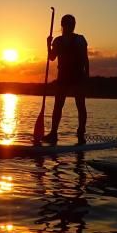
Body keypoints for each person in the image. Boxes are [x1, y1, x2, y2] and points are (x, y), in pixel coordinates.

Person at [44, 14, 89, 145]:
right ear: (63, 25)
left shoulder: (80, 39)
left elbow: (85, 59)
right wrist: (48, 45)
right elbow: (52, 57)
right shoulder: (57, 41)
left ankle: (81, 133)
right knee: (58, 105)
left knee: (80, 105)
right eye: (68, 24)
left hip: (78, 76)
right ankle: (53, 133)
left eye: (72, 24)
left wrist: (87, 76)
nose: (70, 26)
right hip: (63, 77)